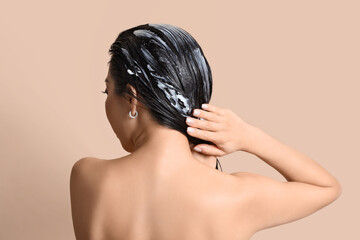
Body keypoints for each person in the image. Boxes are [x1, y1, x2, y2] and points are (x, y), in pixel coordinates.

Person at [70, 23, 342, 240]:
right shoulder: (235, 196)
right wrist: (250, 137)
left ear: (131, 98)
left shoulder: (87, 177)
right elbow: (326, 187)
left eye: (107, 90)